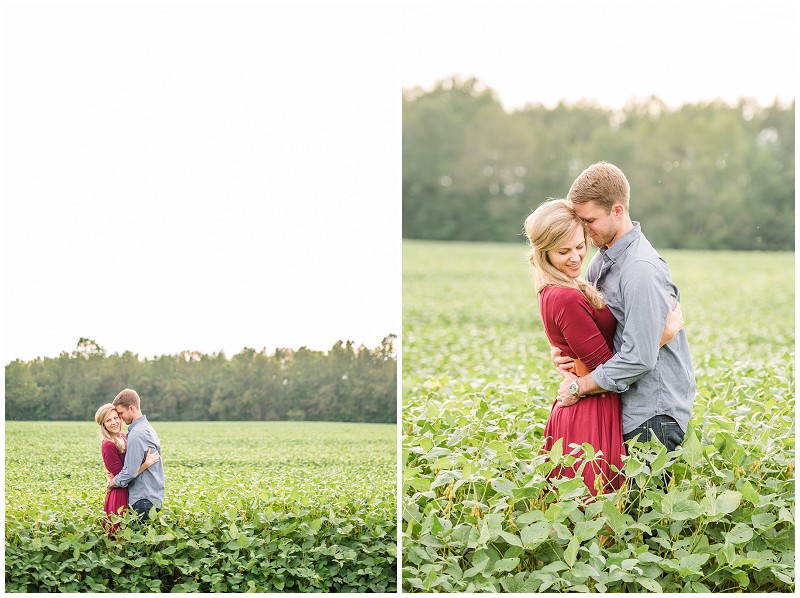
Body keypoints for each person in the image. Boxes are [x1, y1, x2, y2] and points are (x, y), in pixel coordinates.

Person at [524, 199, 681, 495]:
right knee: (596, 514)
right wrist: (658, 337)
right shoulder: (565, 296)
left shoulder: (568, 286)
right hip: (591, 407)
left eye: (579, 246)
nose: (576, 257)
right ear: (543, 253)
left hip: (593, 400)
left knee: (595, 510)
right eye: (563, 251)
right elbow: (604, 364)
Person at [554, 162, 695, 452]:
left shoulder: (640, 269)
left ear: (617, 211)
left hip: (651, 417)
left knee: (641, 499)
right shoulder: (601, 262)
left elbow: (638, 358)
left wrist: (577, 386)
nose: (582, 230)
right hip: (625, 409)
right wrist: (568, 354)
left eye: (589, 220)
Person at [95, 403, 160, 533]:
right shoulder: (108, 445)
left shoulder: (124, 437)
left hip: (129, 491)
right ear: (103, 425)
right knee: (118, 536)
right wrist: (146, 465)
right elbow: (124, 476)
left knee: (128, 535)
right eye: (108, 420)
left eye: (116, 418)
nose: (114, 422)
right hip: (119, 493)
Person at [107, 389, 165, 520]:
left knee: (136, 539)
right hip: (152, 498)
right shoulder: (147, 428)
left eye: (121, 413)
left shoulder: (136, 434)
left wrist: (111, 483)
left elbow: (130, 472)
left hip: (142, 500)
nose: (120, 418)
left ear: (131, 408)